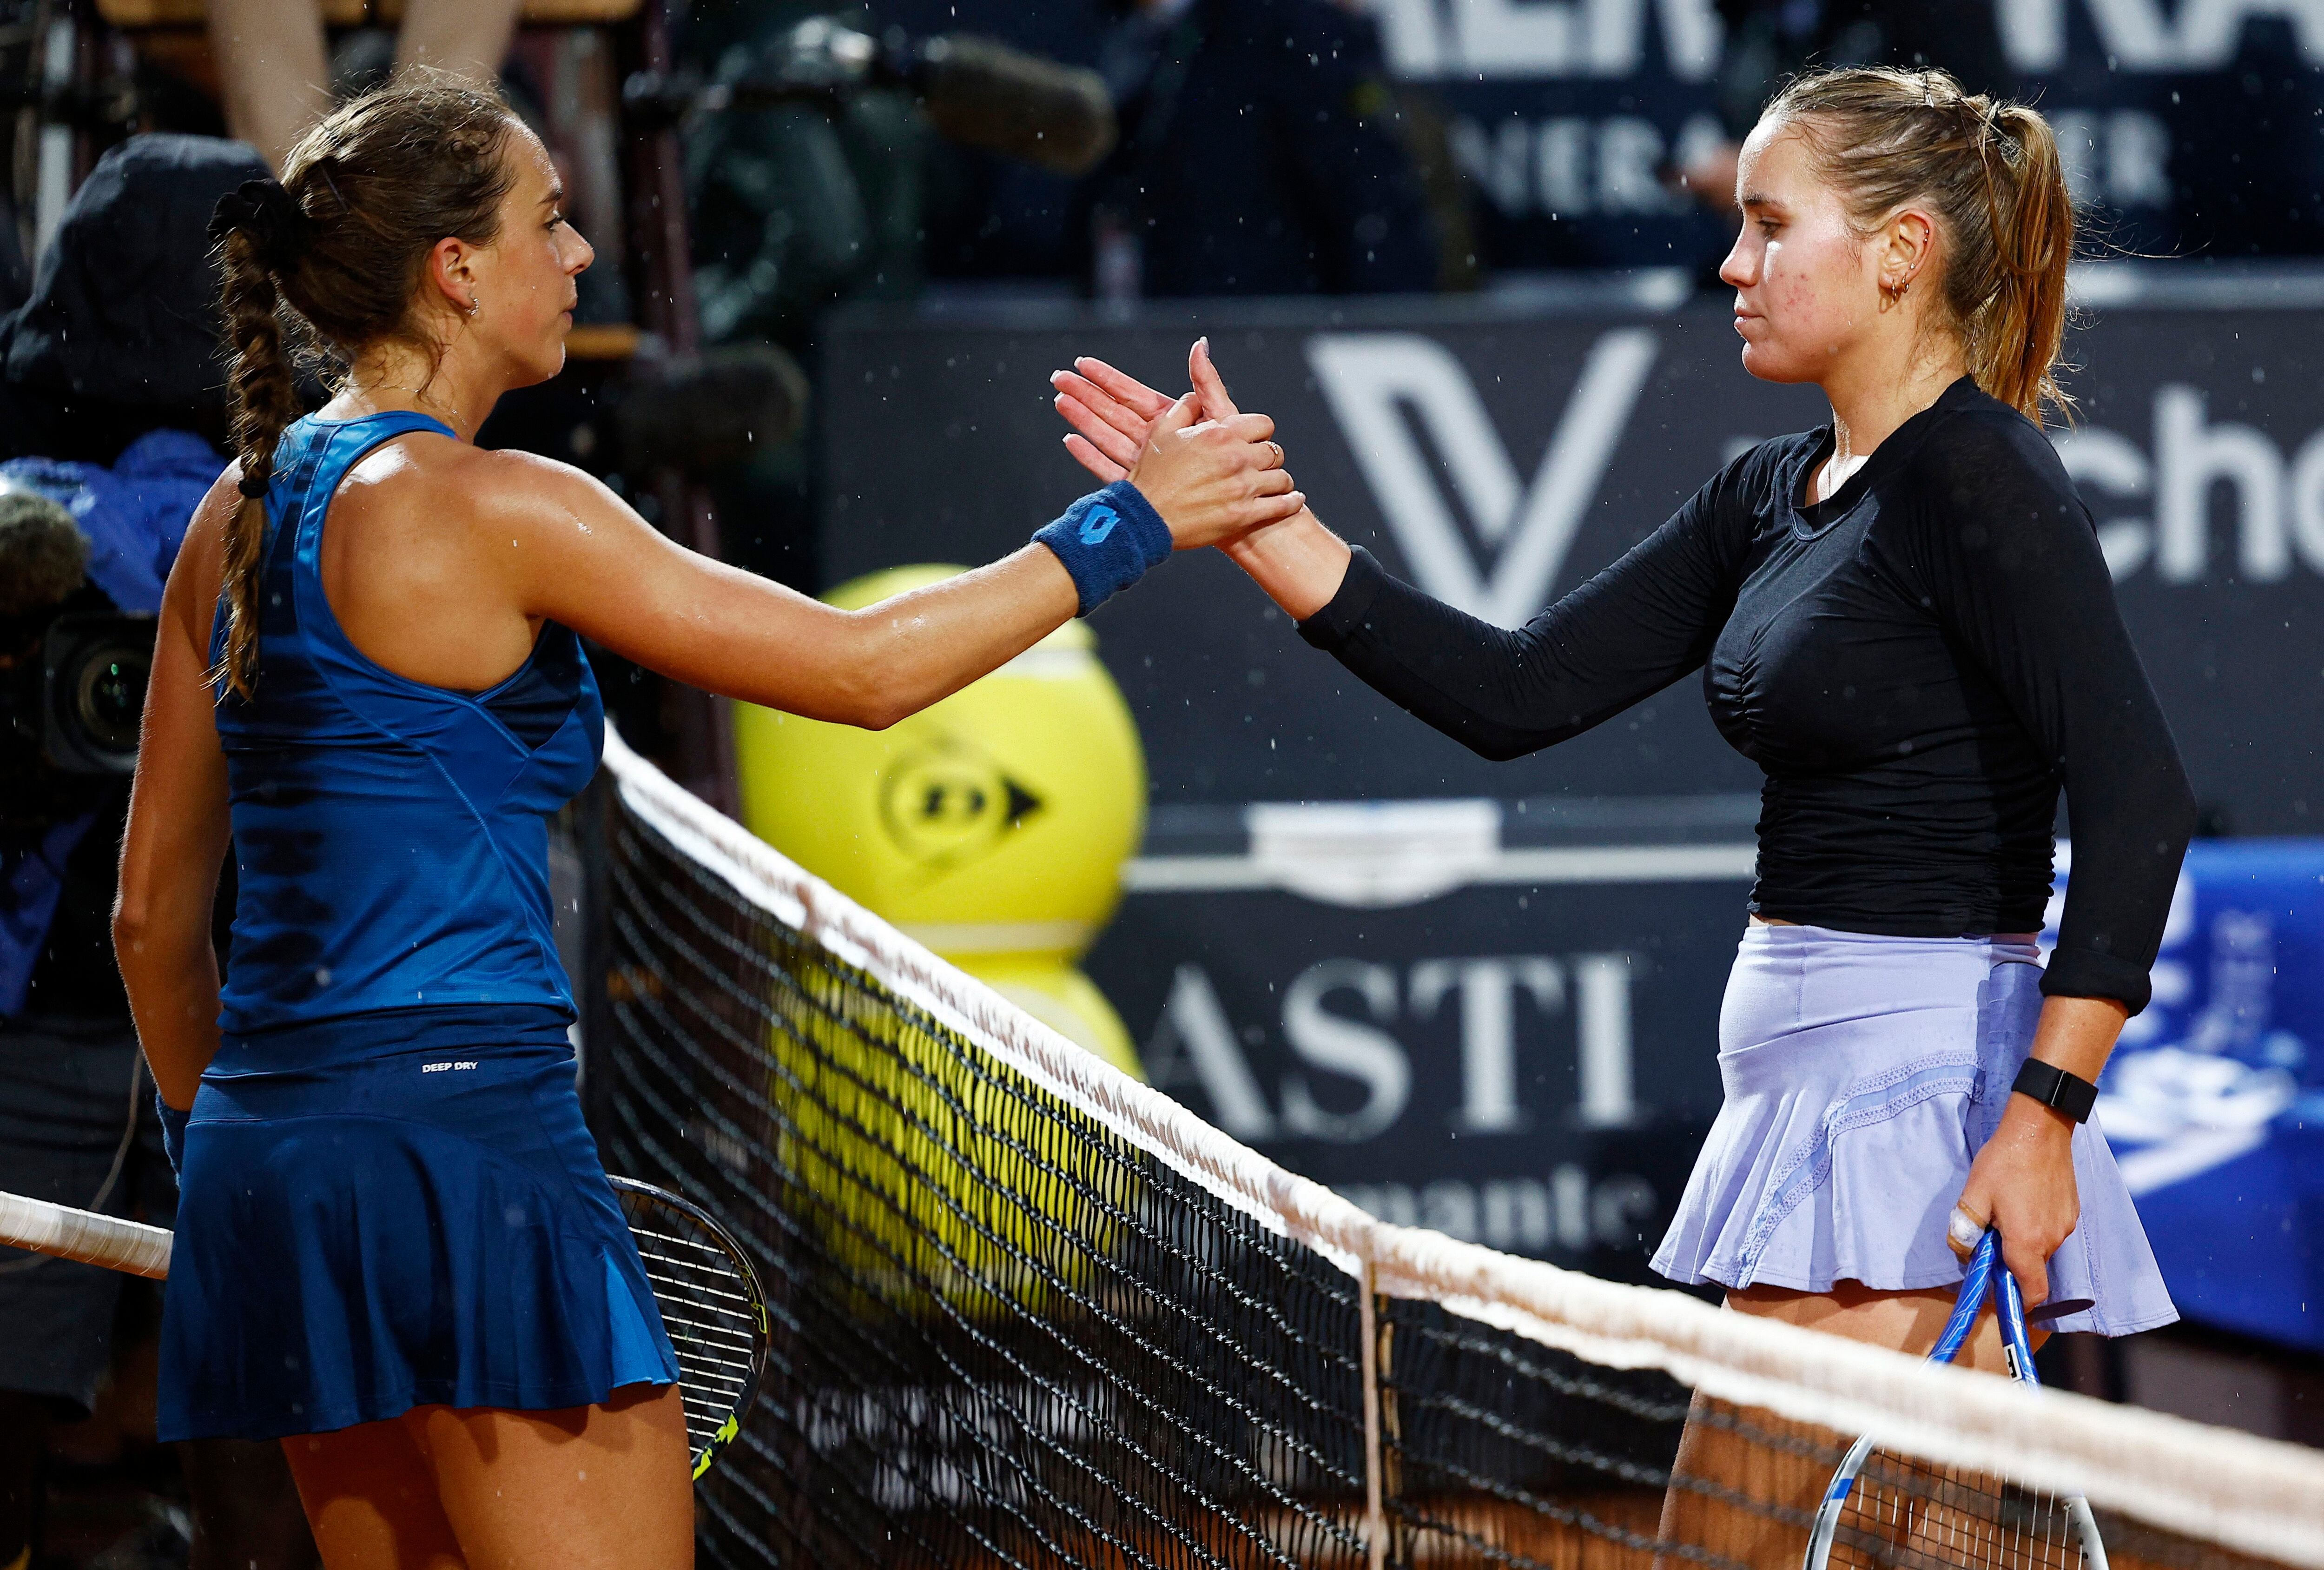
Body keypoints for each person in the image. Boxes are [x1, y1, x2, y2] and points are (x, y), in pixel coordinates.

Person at [114, 69, 1295, 1570]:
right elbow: (867, 673)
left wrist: (243, 1160)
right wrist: (1135, 519)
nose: (581, 255)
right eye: (549, 221)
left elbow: (150, 921)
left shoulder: (229, 514)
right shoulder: (505, 508)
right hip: (474, 1150)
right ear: (454, 269)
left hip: (272, 1169)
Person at [1050, 65, 2192, 1561]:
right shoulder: (1767, 495)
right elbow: (1515, 694)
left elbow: (2138, 799)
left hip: (1917, 1109)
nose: (1729, 262)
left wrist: (2041, 1118)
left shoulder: (1975, 474)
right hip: (1814, 1103)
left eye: (1769, 226)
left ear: (1900, 250)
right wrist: (1262, 524)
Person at [1072, 0, 1438, 298]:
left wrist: (1388, 323)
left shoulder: (1299, 35)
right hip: (1198, 317)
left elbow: (1369, 199)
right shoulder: (1169, 38)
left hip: (1278, 319)